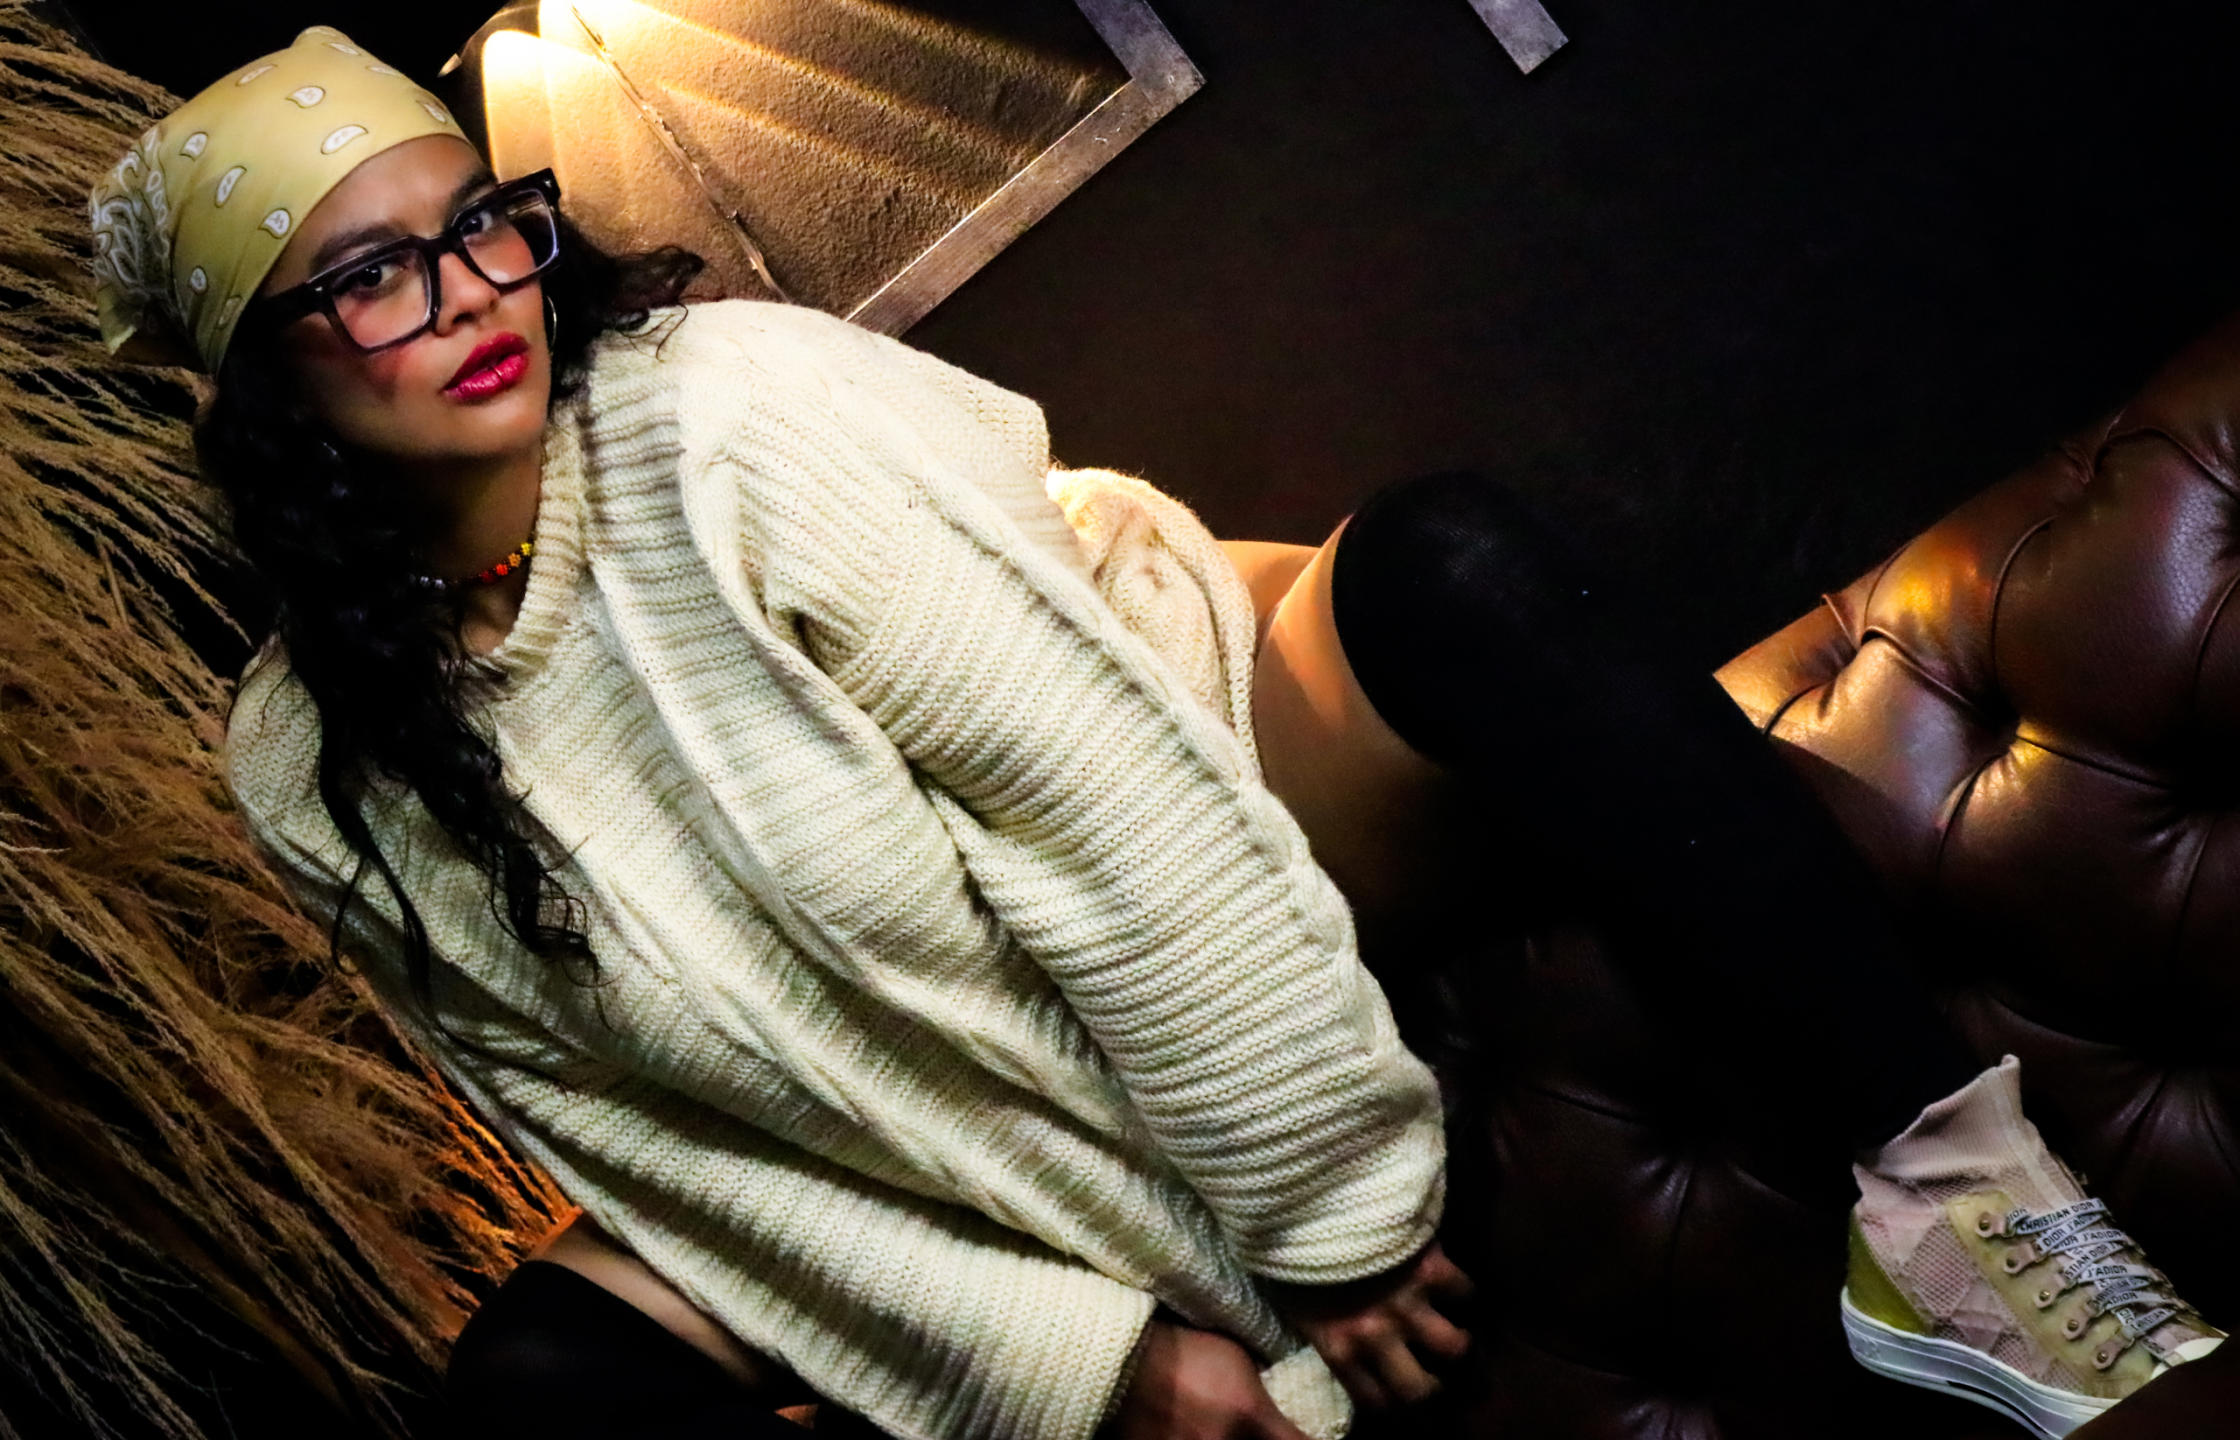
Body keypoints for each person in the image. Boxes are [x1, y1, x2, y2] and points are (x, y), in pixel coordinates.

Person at [87, 26, 2219, 1440]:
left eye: (479, 221)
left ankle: (1973, 1219)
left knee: (1451, 564)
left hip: (1185, 724)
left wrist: (1329, 1224)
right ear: (263, 389)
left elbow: (1103, 802)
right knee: (534, 1382)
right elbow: (658, 1151)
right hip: (884, 1059)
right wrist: (1087, 1360)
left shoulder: (731, 418)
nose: (471, 294)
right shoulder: (308, 771)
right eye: (369, 277)